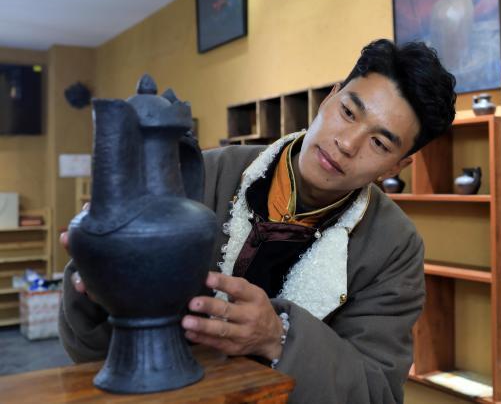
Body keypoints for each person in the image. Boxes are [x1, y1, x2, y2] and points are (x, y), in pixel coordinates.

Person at [58, 38, 456, 403]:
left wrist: (279, 338)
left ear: (397, 167)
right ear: (330, 97)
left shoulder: (394, 246)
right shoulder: (205, 175)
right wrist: (100, 288)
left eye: (379, 142)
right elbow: (93, 354)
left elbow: (376, 393)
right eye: (348, 112)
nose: (347, 143)